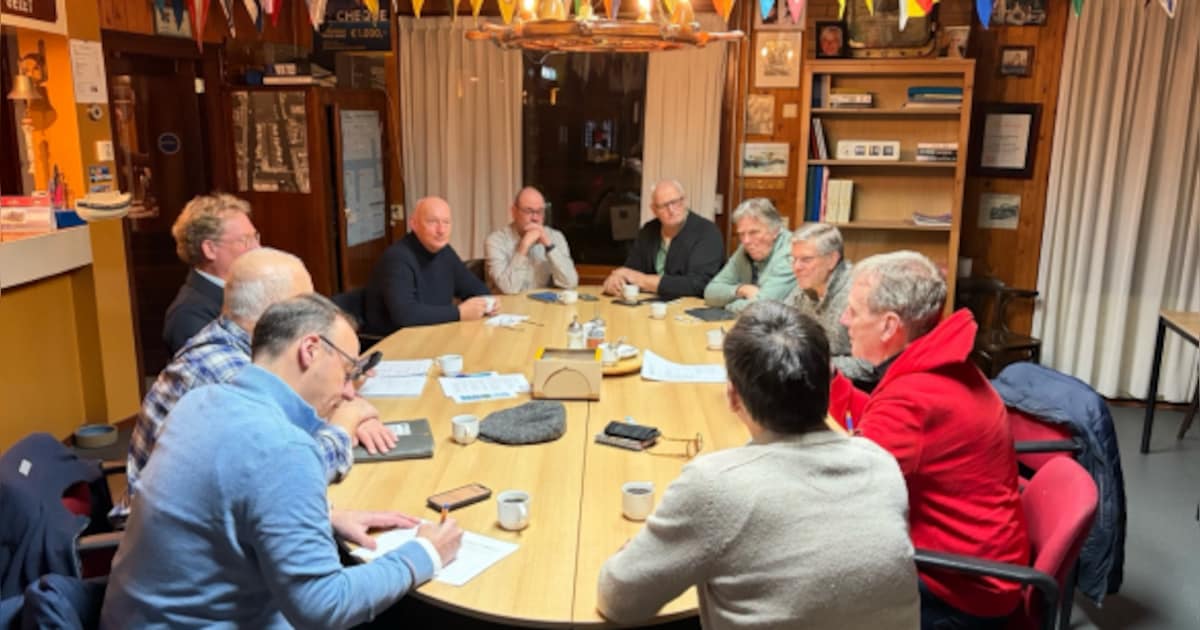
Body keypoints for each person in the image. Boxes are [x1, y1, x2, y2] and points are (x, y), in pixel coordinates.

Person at [102, 294, 464, 629]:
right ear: (310, 349)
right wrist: (426, 552)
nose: (349, 391)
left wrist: (323, 518)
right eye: (348, 370)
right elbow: (324, 606)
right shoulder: (284, 447)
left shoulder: (202, 400)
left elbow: (222, 505)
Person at [597, 301, 918, 629]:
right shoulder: (880, 462)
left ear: (733, 397)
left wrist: (635, 554)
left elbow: (618, 600)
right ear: (827, 385)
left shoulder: (714, 485)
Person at [831, 251, 1029, 628]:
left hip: (959, 590)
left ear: (890, 326)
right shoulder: (938, 363)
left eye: (854, 312)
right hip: (984, 563)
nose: (844, 320)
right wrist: (829, 381)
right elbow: (877, 416)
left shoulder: (915, 397)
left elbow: (843, 494)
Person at [121, 248, 396, 519]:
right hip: (182, 544)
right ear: (276, 314)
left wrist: (339, 394)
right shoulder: (228, 374)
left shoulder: (243, 347)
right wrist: (347, 422)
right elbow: (295, 474)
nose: (316, 314)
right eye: (305, 304)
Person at [364, 196, 497, 333]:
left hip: (432, 333)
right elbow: (405, 315)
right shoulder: (397, 258)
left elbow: (475, 288)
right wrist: (458, 313)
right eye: (433, 222)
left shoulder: (445, 252)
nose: (441, 230)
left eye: (446, 222)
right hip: (395, 342)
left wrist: (487, 303)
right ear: (414, 224)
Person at [163, 193, 261, 355]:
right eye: (245, 240)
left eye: (255, 237)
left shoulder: (245, 291)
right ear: (210, 249)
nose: (257, 248)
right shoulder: (188, 315)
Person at [784, 223, 875, 387]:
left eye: (806, 259)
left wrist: (815, 364)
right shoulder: (805, 286)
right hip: (810, 379)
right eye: (793, 259)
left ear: (832, 259)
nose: (796, 267)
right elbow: (779, 323)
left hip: (849, 389)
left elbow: (871, 365)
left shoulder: (859, 293)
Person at [601, 179, 724, 299]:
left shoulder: (707, 232)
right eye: (664, 206)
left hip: (691, 312)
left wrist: (641, 280)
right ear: (654, 210)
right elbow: (631, 269)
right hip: (650, 308)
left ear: (685, 201)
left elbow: (698, 285)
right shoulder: (649, 230)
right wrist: (618, 278)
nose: (671, 210)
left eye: (676, 202)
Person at [703, 198, 796, 312]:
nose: (746, 241)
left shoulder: (793, 252)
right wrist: (741, 289)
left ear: (775, 231)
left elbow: (762, 306)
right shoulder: (745, 249)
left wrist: (728, 306)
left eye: (754, 232)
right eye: (741, 234)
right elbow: (710, 292)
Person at [484, 186, 579, 294]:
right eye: (528, 211)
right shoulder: (495, 241)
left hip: (542, 306)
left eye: (540, 212)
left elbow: (570, 283)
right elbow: (509, 289)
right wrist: (523, 246)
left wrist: (549, 246)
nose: (535, 218)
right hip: (508, 308)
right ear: (514, 212)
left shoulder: (555, 237)